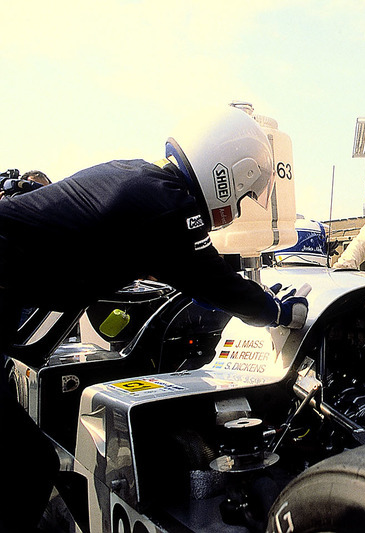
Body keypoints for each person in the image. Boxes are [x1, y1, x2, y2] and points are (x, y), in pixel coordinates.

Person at [0, 105, 310, 532]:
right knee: (26, 464)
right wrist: (278, 311)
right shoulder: (168, 207)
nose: (239, 205)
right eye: (243, 193)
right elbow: (217, 284)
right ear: (228, 173)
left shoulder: (138, 176)